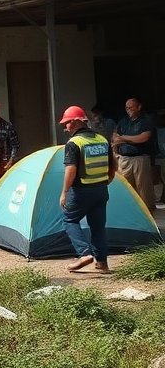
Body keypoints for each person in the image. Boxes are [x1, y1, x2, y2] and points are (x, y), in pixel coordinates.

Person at [59, 105, 117, 273]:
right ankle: (102, 263)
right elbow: (113, 164)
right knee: (98, 226)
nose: (65, 127)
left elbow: (71, 169)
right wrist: (107, 181)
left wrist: (64, 192)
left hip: (81, 191)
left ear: (77, 122)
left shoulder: (74, 143)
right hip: (101, 189)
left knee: (69, 220)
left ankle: (83, 253)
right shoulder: (101, 139)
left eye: (68, 123)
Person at [112, 97, 157, 210]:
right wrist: (124, 140)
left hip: (140, 159)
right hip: (124, 159)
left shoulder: (146, 121)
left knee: (144, 189)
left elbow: (143, 138)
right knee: (126, 188)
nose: (128, 110)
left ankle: (147, 212)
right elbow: (115, 137)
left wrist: (123, 138)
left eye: (131, 107)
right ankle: (130, 210)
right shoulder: (123, 121)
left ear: (139, 107)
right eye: (127, 108)